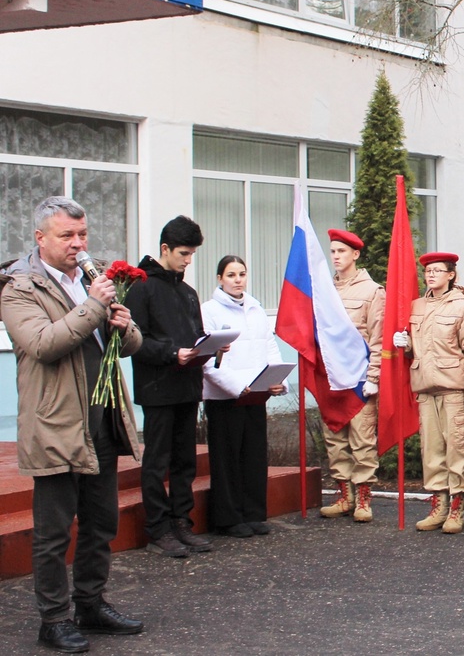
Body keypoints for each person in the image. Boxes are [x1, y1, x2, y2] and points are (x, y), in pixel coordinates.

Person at [0, 197, 145, 651]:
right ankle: (54, 619)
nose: (78, 245)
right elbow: (42, 344)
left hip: (102, 420)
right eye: (67, 236)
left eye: (82, 235)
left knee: (101, 522)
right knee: (53, 531)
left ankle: (91, 604)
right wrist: (92, 307)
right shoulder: (18, 288)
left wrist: (121, 324)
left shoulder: (93, 277)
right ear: (40, 238)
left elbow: (131, 344)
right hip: (54, 424)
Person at [126, 215, 211, 558]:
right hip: (158, 388)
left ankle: (181, 522)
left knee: (185, 461)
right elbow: (132, 341)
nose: (188, 261)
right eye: (183, 254)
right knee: (157, 461)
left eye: (191, 255)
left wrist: (209, 347)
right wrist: (171, 353)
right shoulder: (140, 286)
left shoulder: (188, 292)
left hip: (187, 385)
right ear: (165, 248)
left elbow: (194, 335)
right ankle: (158, 529)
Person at [393, 252, 464, 534]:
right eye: (428, 271)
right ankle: (439, 502)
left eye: (437, 271)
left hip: (454, 388)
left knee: (456, 448)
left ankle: (457, 505)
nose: (430, 275)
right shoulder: (416, 306)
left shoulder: (463, 307)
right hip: (425, 387)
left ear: (451, 275)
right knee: (431, 450)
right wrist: (405, 344)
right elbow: (418, 347)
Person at [200, 255, 287, 538]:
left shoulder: (255, 308)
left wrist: (276, 379)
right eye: (231, 275)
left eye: (242, 274)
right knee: (227, 459)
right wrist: (236, 386)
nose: (238, 280)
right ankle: (228, 518)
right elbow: (207, 358)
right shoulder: (209, 310)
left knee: (253, 455)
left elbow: (268, 345)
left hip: (255, 394)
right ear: (219, 279)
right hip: (226, 397)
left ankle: (253, 513)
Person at [318, 229, 385, 523]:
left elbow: (378, 338)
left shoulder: (372, 291)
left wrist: (374, 376)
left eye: (341, 252)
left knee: (362, 440)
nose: (335, 257)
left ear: (355, 255)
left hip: (359, 378)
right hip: (331, 377)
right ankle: (344, 494)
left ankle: (363, 497)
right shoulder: (323, 290)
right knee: (334, 438)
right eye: (332, 251)